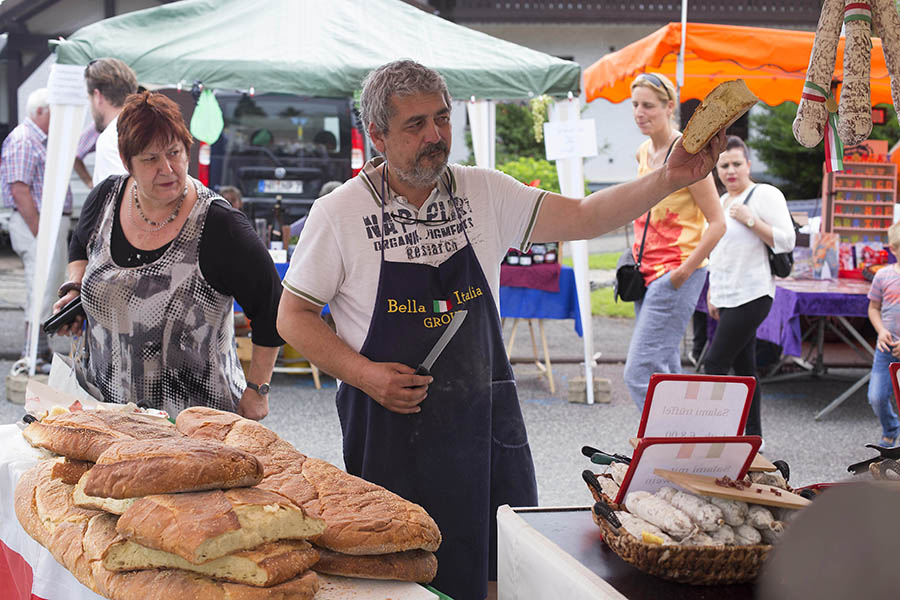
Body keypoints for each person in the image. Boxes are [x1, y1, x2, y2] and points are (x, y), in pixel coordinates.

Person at [276, 60, 725, 600]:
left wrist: (668, 178)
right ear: (377, 135)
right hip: (391, 434)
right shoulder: (339, 214)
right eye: (415, 125)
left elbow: (584, 215)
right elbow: (292, 316)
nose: (435, 136)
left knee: (498, 567)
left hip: (483, 424)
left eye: (442, 119)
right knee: (399, 577)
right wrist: (365, 374)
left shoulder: (482, 192)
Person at [53, 91, 283, 420]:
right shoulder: (104, 198)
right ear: (125, 159)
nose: (168, 169)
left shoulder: (219, 225)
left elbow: (273, 308)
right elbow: (79, 246)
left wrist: (257, 389)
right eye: (150, 159)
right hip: (108, 414)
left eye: (175, 153)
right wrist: (76, 289)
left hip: (196, 424)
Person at [623, 72, 726, 409]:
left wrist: (682, 273)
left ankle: (661, 444)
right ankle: (684, 442)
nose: (640, 112)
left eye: (648, 105)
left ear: (669, 107)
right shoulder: (642, 151)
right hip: (645, 272)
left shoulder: (688, 153)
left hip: (675, 272)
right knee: (664, 368)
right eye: (636, 104)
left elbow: (718, 223)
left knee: (639, 373)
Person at [705, 135, 795, 439]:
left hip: (754, 293)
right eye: (724, 166)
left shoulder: (764, 194)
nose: (731, 171)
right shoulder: (720, 201)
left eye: (736, 164)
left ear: (748, 164)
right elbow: (717, 253)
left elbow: (787, 239)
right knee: (745, 370)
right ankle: (752, 438)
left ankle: (711, 435)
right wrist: (712, 294)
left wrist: (752, 221)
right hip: (727, 294)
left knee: (714, 363)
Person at [1, 88, 73, 373]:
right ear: (41, 111)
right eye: (53, 111)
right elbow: (19, 189)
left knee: (46, 287)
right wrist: (40, 231)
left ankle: (39, 353)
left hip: (45, 223)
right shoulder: (24, 139)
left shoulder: (35, 139)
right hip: (38, 224)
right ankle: (33, 354)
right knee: (39, 286)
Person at [866, 220, 900, 446]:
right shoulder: (883, 276)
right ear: (893, 249)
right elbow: (873, 308)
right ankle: (891, 427)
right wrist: (880, 331)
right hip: (887, 348)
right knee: (876, 396)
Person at [85, 57, 138, 185]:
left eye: (89, 99)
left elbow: (118, 200)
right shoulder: (151, 126)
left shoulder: (111, 138)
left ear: (98, 96)